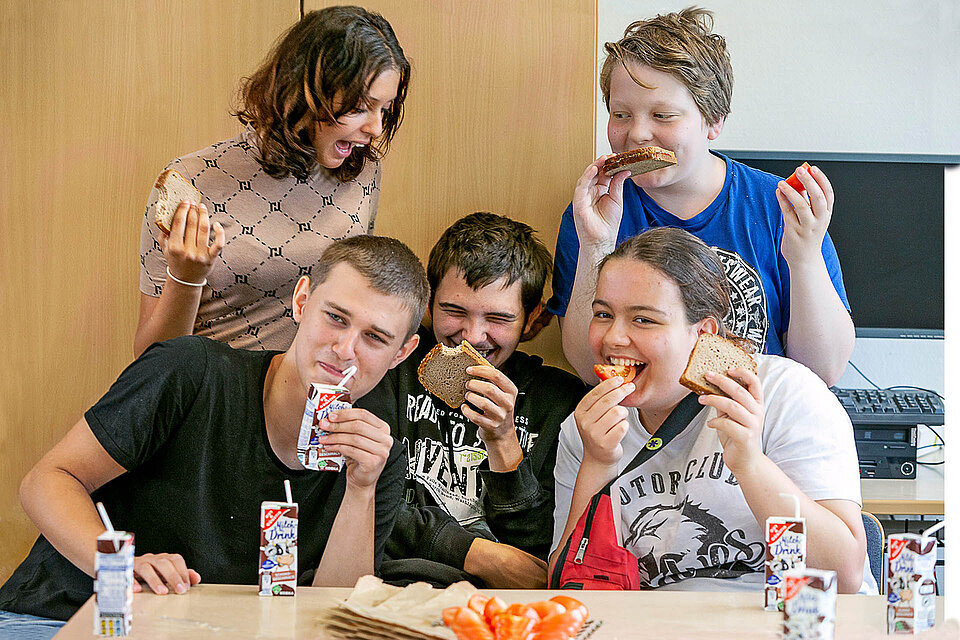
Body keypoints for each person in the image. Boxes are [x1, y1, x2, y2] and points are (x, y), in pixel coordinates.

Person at [0, 236, 429, 635]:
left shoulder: (376, 454)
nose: (345, 348)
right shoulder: (190, 372)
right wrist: (116, 565)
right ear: (301, 302)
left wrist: (360, 490)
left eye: (374, 338)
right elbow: (46, 480)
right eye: (335, 318)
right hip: (59, 616)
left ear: (402, 353)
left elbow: (334, 612)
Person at [548, 227, 867, 593]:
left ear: (704, 333)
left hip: (787, 622)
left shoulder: (785, 393)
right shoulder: (585, 427)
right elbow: (569, 588)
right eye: (603, 314)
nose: (613, 338)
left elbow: (843, 576)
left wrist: (750, 464)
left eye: (643, 319)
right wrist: (597, 465)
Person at [548, 7, 854, 386]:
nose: (637, 133)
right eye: (621, 114)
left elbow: (822, 371)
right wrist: (596, 244)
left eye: (663, 116)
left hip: (755, 425)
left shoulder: (779, 208)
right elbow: (588, 368)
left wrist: (804, 255)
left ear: (714, 121)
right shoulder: (595, 211)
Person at [135, 5, 410, 356]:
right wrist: (187, 277)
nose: (375, 129)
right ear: (303, 90)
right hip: (213, 396)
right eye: (359, 107)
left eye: (384, 109)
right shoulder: (192, 180)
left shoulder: (364, 172)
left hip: (311, 398)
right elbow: (148, 358)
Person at [356, 212, 587, 589]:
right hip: (387, 588)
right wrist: (475, 553)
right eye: (454, 311)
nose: (473, 336)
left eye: (498, 318)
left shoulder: (560, 402)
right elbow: (360, 502)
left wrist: (502, 441)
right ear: (428, 304)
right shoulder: (387, 371)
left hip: (504, 606)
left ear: (533, 320)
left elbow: (536, 556)